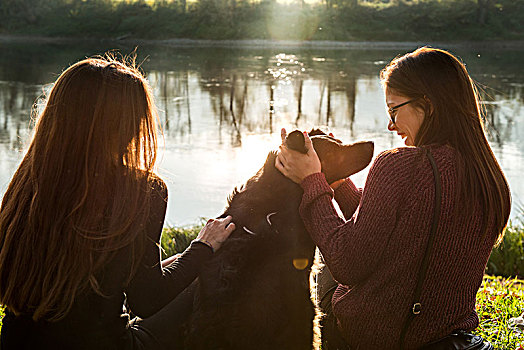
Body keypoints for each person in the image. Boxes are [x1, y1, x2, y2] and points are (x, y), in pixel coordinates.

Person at [275, 47, 511, 349]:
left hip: (374, 338)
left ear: (427, 105)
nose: (390, 124)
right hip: (445, 338)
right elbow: (393, 219)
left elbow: (347, 263)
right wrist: (334, 182)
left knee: (325, 267)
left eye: (393, 110)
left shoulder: (399, 165)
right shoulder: (490, 179)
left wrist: (311, 183)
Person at [0, 56, 235, 350]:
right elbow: (147, 300)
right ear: (126, 126)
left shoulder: (29, 181)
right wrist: (203, 248)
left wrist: (181, 259)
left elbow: (102, 282)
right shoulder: (141, 190)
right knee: (203, 277)